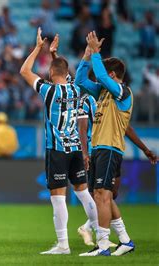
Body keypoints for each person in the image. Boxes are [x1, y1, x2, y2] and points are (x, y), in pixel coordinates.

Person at [75, 31, 157, 256]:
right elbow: (81, 80)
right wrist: (87, 54)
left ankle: (102, 245)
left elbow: (100, 77)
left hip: (110, 148)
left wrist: (97, 56)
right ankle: (125, 241)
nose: (101, 78)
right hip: (98, 148)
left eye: (104, 74)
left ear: (112, 74)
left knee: (102, 194)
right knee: (102, 195)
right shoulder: (103, 93)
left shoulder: (123, 92)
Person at [19, 28, 98, 255]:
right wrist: (54, 54)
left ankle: (63, 244)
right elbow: (63, 70)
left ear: (51, 73)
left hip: (57, 149)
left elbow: (24, 70)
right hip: (76, 149)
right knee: (83, 193)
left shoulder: (48, 90)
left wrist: (38, 48)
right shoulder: (76, 89)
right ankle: (100, 233)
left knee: (57, 197)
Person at [77, 92, 157, 247]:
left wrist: (145, 149)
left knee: (110, 194)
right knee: (102, 195)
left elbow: (126, 127)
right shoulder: (88, 99)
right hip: (97, 151)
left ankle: (92, 230)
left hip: (114, 150)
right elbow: (82, 127)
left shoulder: (113, 98)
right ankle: (107, 239)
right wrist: (85, 152)